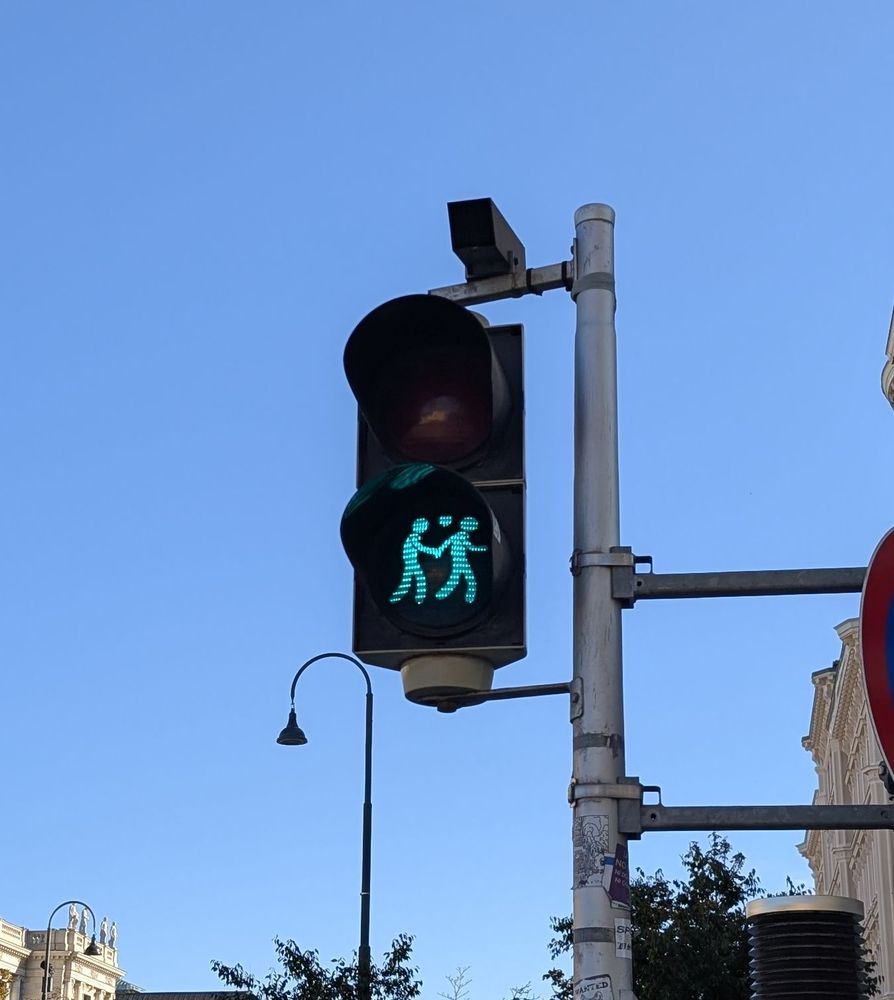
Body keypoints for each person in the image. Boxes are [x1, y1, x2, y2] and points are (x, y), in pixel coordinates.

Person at [389, 518, 444, 605]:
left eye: (425, 527)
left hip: (412, 562)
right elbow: (420, 547)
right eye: (424, 527)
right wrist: (434, 551)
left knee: (416, 580)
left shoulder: (413, 537)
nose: (424, 529)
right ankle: (397, 599)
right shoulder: (413, 537)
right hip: (411, 563)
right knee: (410, 582)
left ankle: (418, 599)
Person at [435, 517, 486, 603]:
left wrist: (440, 550)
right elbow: (470, 547)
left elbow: (446, 542)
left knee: (458, 580)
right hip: (460, 561)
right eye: (473, 527)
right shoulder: (461, 536)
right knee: (468, 579)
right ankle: (468, 597)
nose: (474, 528)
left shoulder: (457, 536)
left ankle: (442, 594)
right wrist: (481, 548)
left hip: (459, 561)